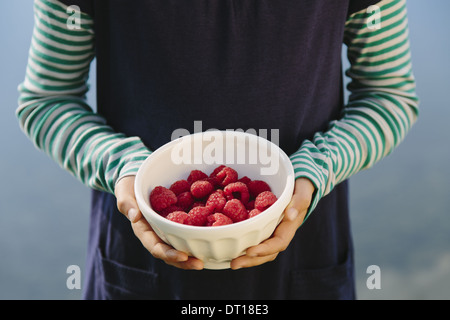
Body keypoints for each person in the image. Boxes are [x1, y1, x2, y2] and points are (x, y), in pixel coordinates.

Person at [17, 0, 419, 299]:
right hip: (139, 265)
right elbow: (48, 99)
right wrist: (127, 169)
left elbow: (388, 94)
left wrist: (315, 169)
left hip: (303, 262)